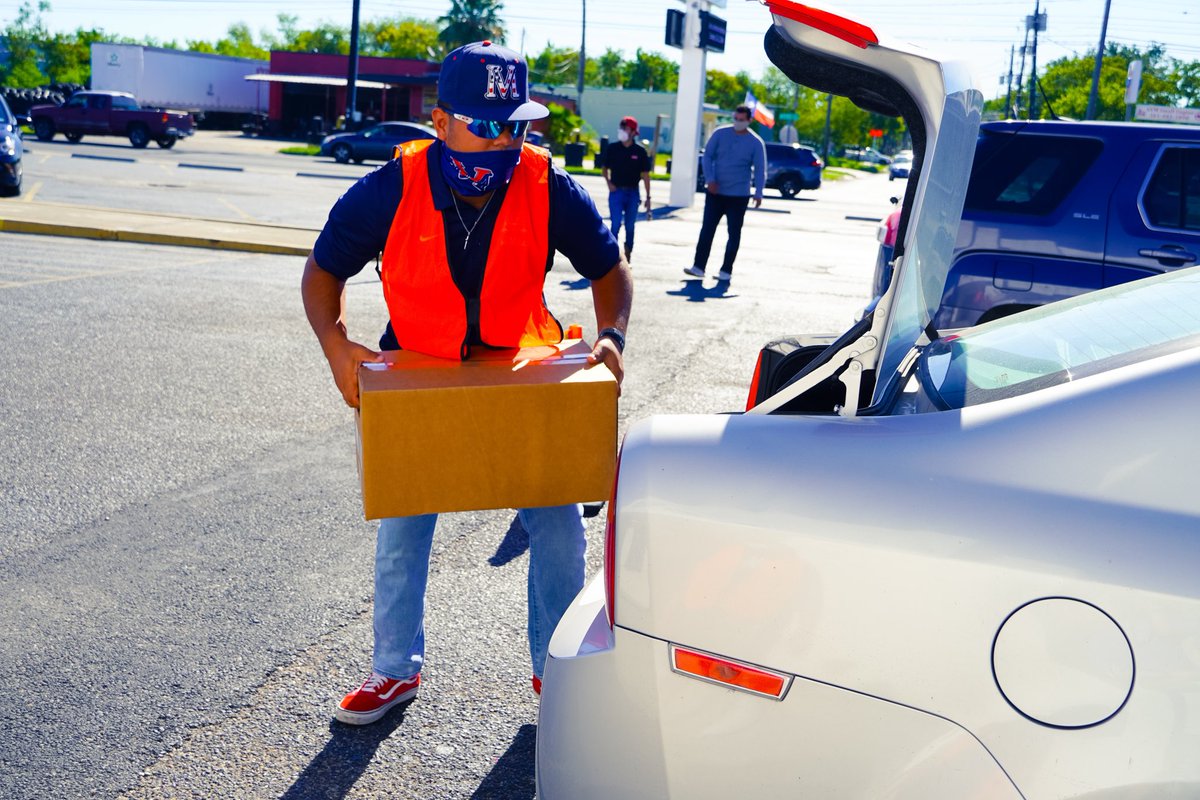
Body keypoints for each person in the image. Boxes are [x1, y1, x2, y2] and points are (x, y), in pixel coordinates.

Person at [300, 40, 633, 726]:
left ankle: (558, 675)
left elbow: (609, 267)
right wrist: (336, 348)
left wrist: (611, 335)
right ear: (441, 120)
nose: (506, 141)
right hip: (424, 370)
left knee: (560, 525)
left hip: (520, 367)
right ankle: (394, 671)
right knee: (403, 526)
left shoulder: (546, 182)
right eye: (488, 125)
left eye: (517, 124)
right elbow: (322, 270)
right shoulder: (392, 185)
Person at [684, 105, 766, 283]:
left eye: (741, 120)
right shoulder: (720, 134)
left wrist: (759, 192)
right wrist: (710, 179)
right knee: (707, 230)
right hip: (715, 193)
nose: (737, 122)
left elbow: (760, 169)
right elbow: (707, 157)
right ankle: (698, 267)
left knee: (733, 234)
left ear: (749, 121)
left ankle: (726, 270)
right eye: (735, 118)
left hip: (738, 196)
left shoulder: (755, 142)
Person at [602, 116, 652, 263]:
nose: (622, 131)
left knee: (630, 227)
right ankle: (612, 257)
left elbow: (646, 176)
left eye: (626, 128)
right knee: (615, 224)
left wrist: (648, 198)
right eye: (621, 127)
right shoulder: (612, 148)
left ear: (633, 132)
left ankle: (628, 255)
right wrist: (608, 183)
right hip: (616, 192)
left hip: (633, 193)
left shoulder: (640, 151)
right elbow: (604, 168)